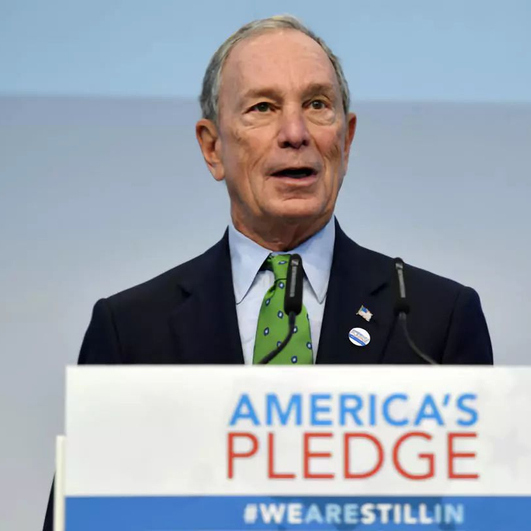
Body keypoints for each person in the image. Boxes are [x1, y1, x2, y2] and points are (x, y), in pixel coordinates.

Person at [42, 14, 492, 530]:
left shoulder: (435, 321)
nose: (295, 134)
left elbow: (481, 515)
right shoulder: (131, 330)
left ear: (346, 140)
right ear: (213, 148)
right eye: (263, 107)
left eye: (317, 105)